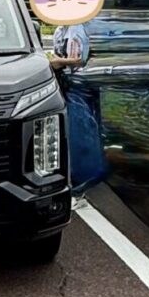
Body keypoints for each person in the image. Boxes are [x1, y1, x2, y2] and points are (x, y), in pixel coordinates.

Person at [48, 22, 106, 193]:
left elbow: (79, 59)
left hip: (81, 83)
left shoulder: (77, 27)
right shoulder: (61, 29)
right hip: (69, 82)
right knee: (78, 127)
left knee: (81, 128)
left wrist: (58, 62)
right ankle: (84, 172)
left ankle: (86, 174)